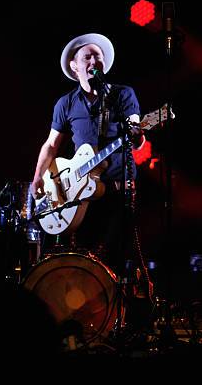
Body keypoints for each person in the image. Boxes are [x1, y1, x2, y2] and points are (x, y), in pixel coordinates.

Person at [30, 32, 145, 275]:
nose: (94, 61)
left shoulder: (122, 95)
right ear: (75, 66)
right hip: (80, 195)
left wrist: (138, 135)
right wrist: (38, 176)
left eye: (98, 56)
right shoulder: (66, 103)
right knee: (82, 263)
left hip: (117, 191)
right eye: (87, 57)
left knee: (113, 263)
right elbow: (51, 145)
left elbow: (135, 135)